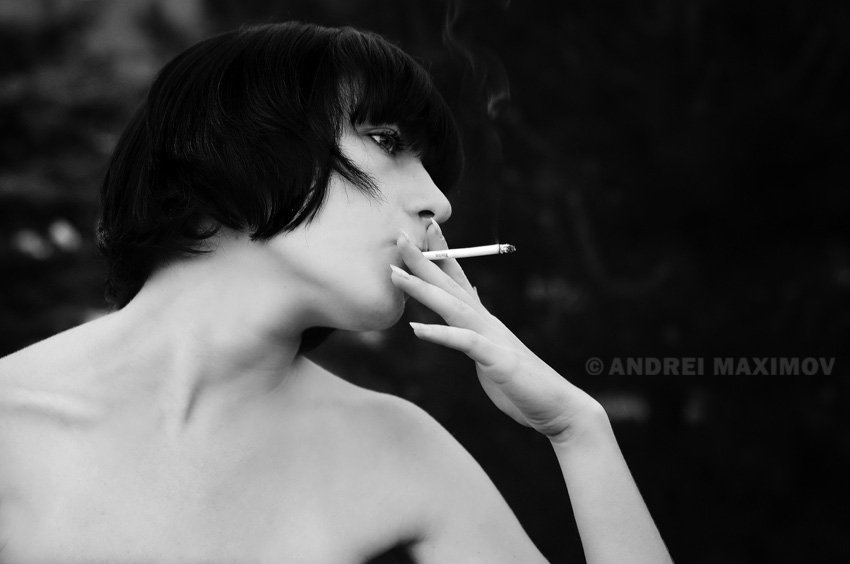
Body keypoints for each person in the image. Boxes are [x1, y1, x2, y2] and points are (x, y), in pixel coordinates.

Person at [0, 22, 672, 563]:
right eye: (385, 139)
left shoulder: (399, 450)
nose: (438, 202)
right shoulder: (13, 430)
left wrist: (578, 431)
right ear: (233, 146)